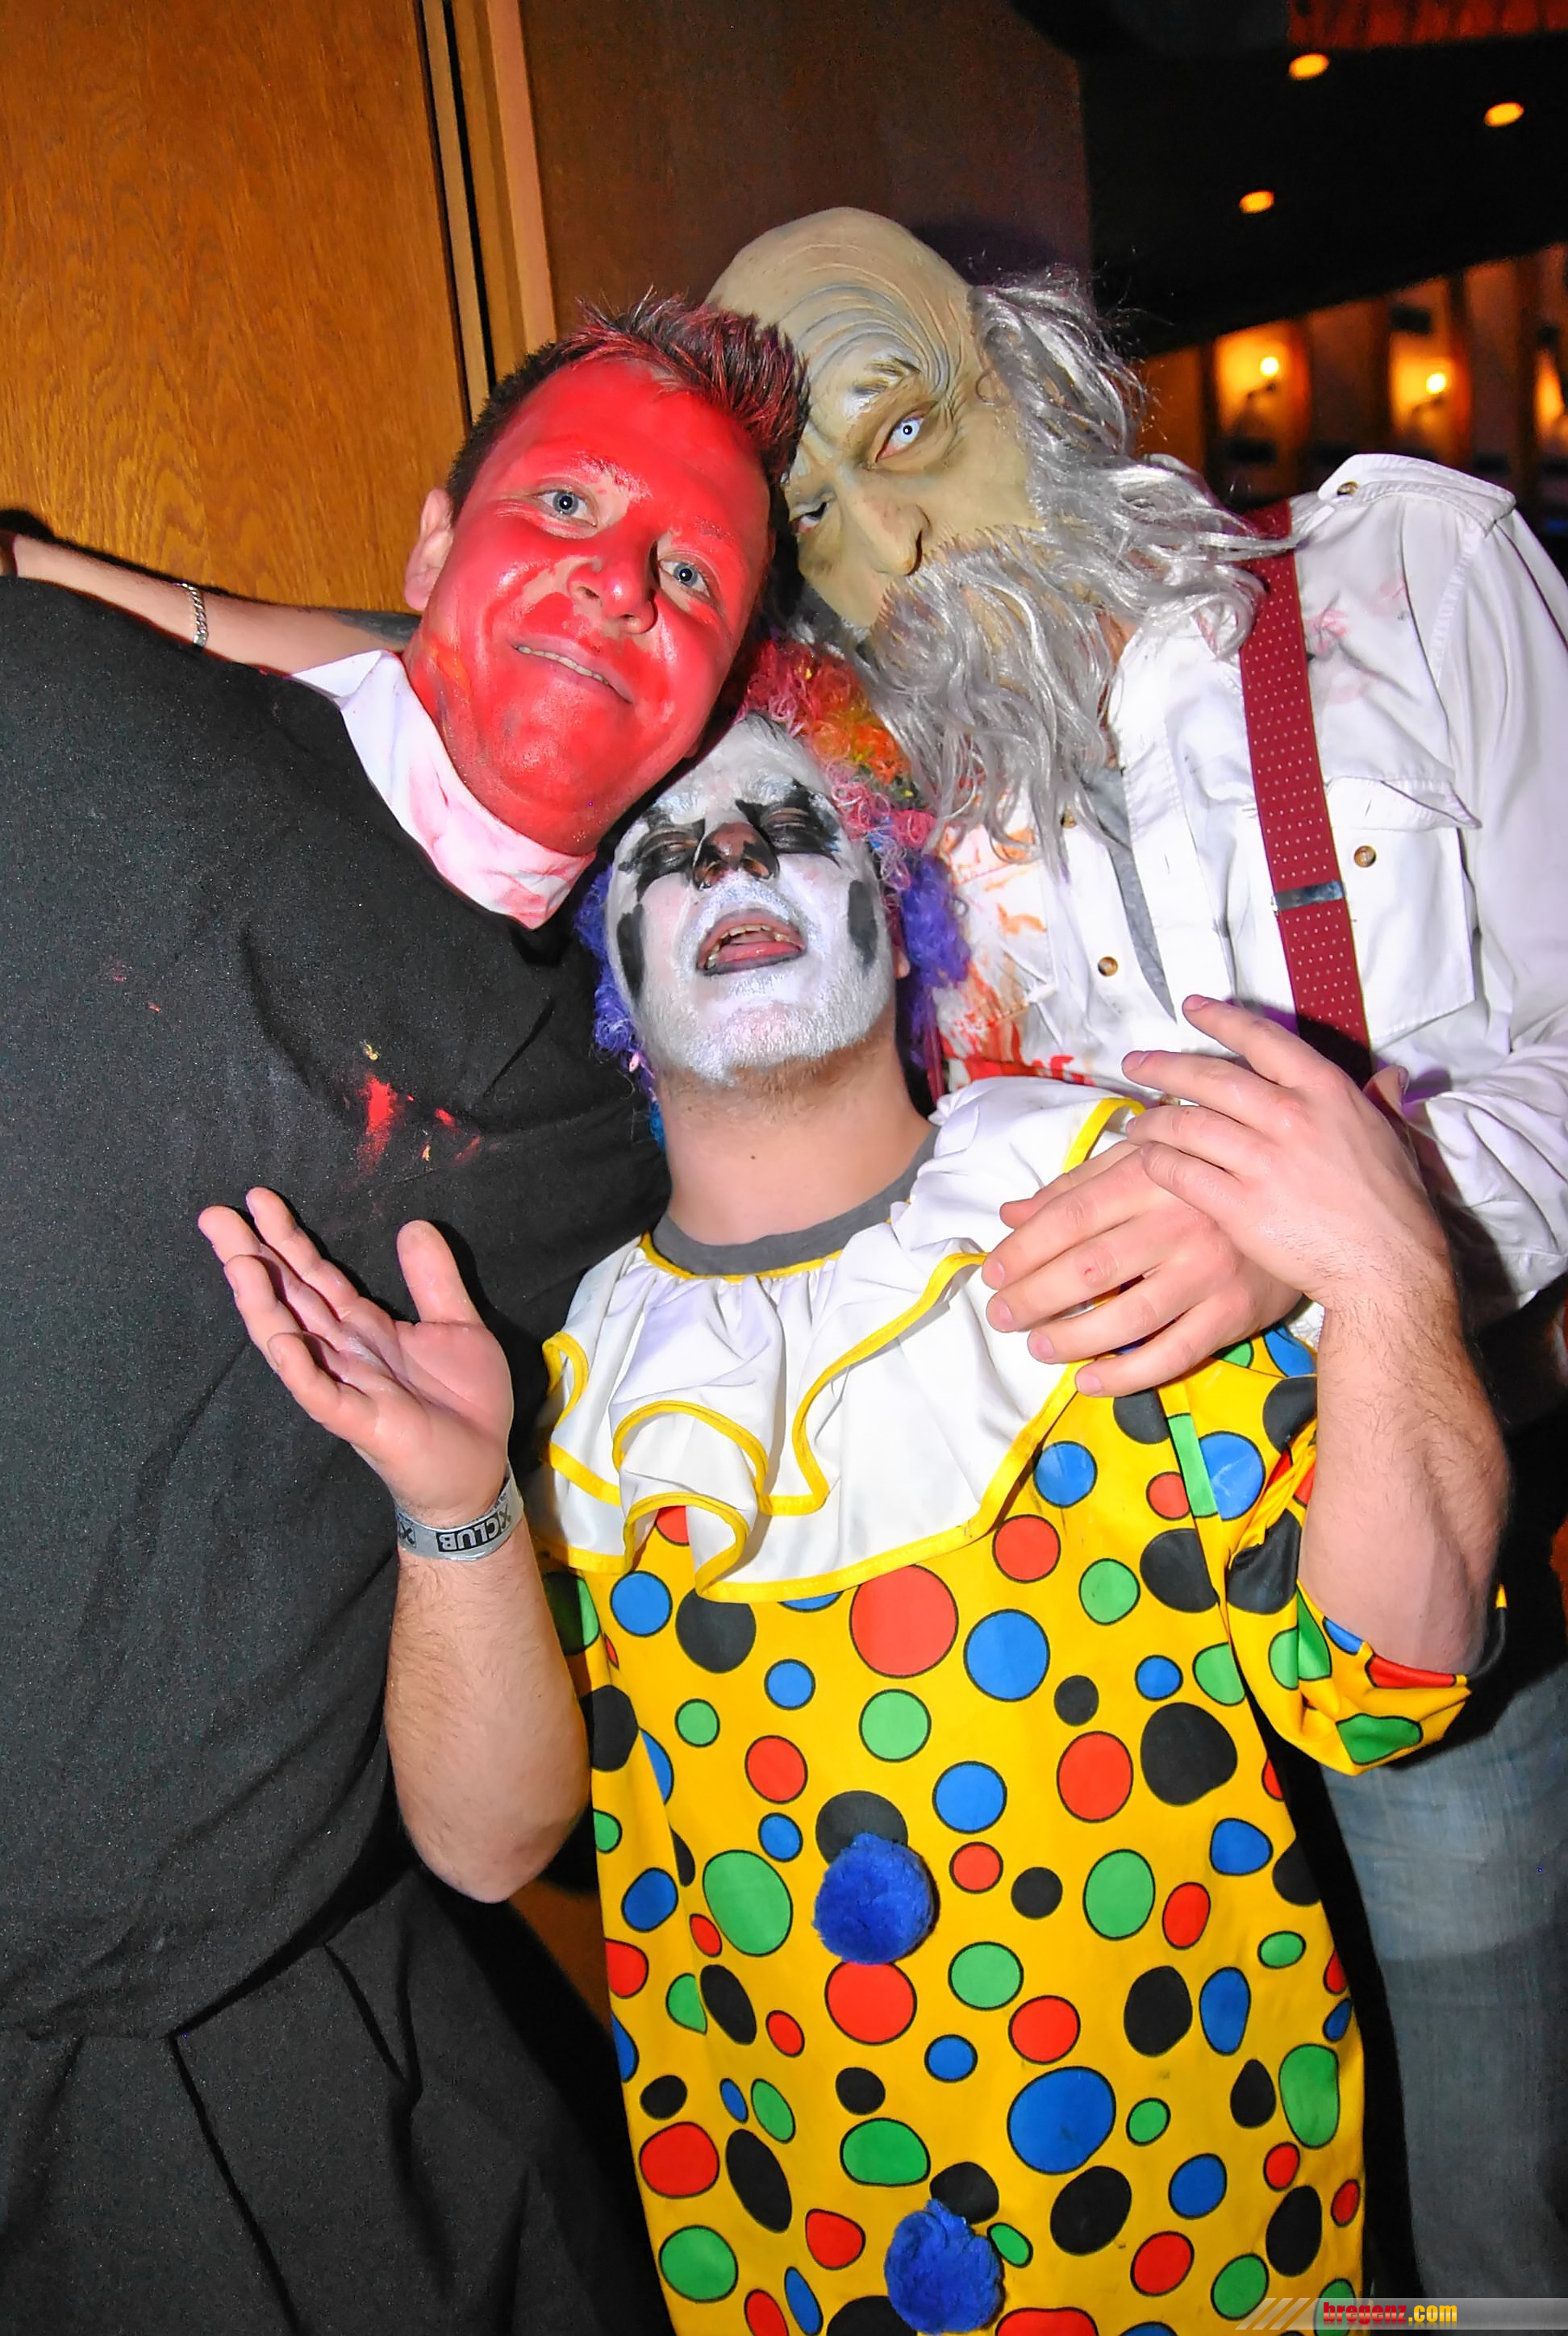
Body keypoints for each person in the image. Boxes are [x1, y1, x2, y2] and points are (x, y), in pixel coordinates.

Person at [206, 644, 1505, 2334]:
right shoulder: (579, 1378)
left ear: (904, 912)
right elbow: (492, 1841)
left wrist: (1390, 1273)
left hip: (1223, 2254)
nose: (731, 865)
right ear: (612, 977)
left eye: (786, 828)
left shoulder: (1107, 1205)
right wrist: (455, 1505)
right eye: (670, 855)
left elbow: (1386, 1688)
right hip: (795, 2271)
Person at [710, 211, 1568, 2297]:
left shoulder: (1410, 575)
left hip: (1432, 1526)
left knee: (1488, 2188)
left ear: (1038, 372)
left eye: (904, 434)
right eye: (811, 512)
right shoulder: (852, 784)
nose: (890, 541)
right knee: (1198, 2201)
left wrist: (1316, 1224)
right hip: (1092, 1638)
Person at [0, 296, 803, 2334]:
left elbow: (503, 1821)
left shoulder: (645, 1138)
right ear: (436, 541)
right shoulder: (55, 707)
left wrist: (461, 1510)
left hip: (281, 2082)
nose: (620, 578)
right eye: (569, 505)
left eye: (690, 573)